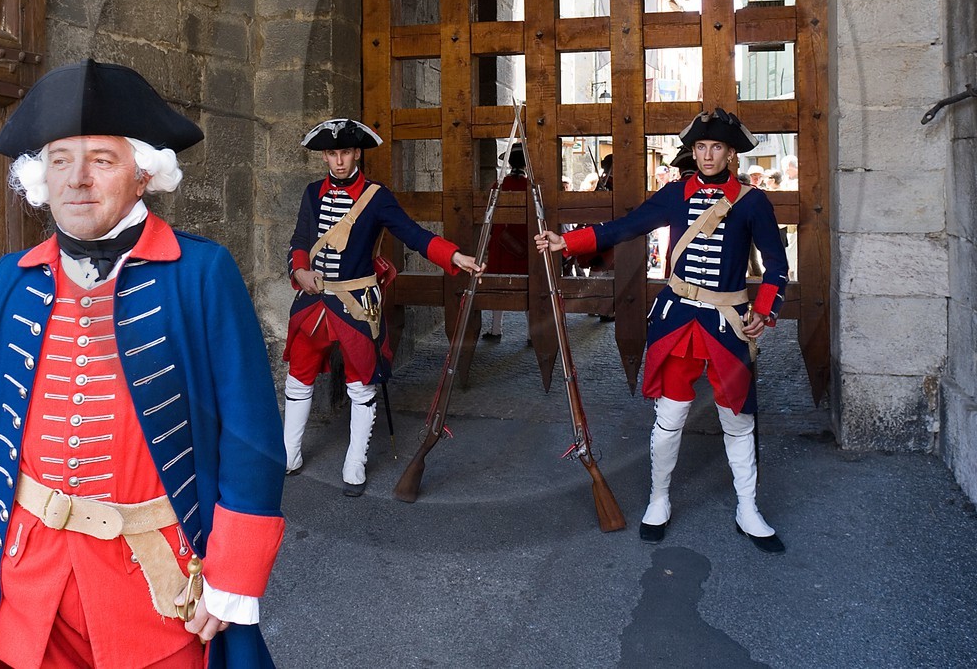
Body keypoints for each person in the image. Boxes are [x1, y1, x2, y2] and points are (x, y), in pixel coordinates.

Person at [0, 60, 286, 669]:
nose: (77, 179)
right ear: (40, 178)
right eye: (59, 160)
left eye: (101, 161)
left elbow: (251, 436)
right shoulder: (11, 280)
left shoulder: (201, 273)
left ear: (143, 176)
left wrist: (235, 573)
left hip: (154, 584)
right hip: (26, 583)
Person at [535, 107, 788, 551]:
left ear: (731, 153)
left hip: (726, 322)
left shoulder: (753, 201)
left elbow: (777, 265)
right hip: (678, 321)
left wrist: (763, 312)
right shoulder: (674, 194)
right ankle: (659, 499)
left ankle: (748, 507)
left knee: (738, 418)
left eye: (716, 148)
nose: (707, 155)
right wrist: (568, 241)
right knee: (669, 417)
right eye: (701, 147)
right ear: (693, 151)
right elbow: (626, 227)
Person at [283, 118, 483, 495]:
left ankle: (355, 460)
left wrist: (452, 256)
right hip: (314, 304)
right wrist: (300, 269)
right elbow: (300, 240)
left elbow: (413, 234)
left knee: (361, 383)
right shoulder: (312, 193)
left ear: (357, 153)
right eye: (331, 153)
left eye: (345, 152)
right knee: (298, 375)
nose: (338, 161)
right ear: (325, 156)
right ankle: (289, 453)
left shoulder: (376, 196)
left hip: (356, 304)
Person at [481, 142, 531, 340]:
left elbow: (489, 214)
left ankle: (495, 329)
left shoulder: (499, 185)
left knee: (498, 285)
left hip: (502, 241)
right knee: (529, 286)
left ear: (509, 163)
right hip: (526, 241)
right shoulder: (530, 187)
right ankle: (531, 335)